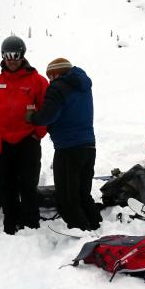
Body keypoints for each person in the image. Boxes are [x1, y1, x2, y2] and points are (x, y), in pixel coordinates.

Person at [0, 36, 49, 235]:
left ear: (22, 55)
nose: (11, 59)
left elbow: (46, 109)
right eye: (7, 55)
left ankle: (30, 226)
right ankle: (10, 226)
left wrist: (38, 133)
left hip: (27, 141)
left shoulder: (37, 81)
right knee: (7, 186)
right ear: (3, 56)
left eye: (16, 55)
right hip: (4, 143)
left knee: (28, 185)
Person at [27, 58, 100, 231]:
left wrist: (32, 117)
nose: (50, 80)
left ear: (55, 74)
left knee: (67, 197)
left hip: (68, 148)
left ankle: (80, 230)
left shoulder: (58, 87)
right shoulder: (83, 85)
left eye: (50, 76)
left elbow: (48, 116)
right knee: (83, 193)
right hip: (88, 146)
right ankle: (96, 225)